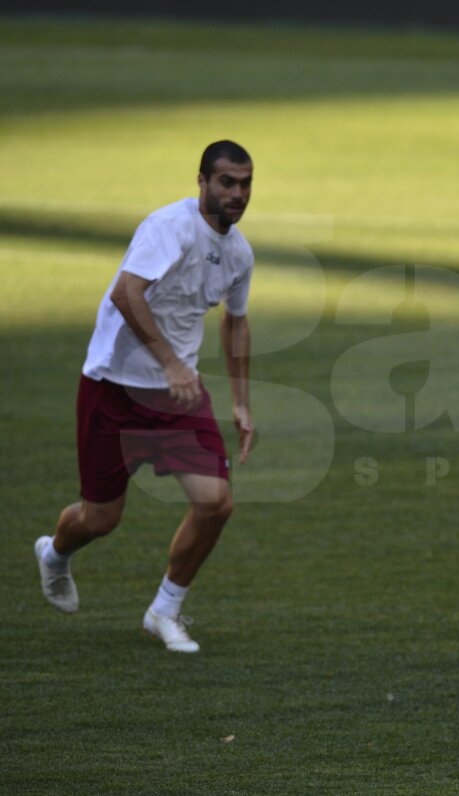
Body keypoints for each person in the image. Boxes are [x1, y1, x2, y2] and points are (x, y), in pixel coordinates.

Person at [34, 140, 256, 654]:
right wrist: (172, 362)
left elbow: (236, 323)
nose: (237, 193)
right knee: (100, 519)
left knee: (216, 502)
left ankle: (165, 609)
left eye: (245, 183)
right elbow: (126, 292)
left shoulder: (239, 253)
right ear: (201, 182)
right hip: (114, 389)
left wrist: (241, 401)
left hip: (178, 399)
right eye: (227, 182)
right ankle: (55, 555)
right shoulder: (169, 227)